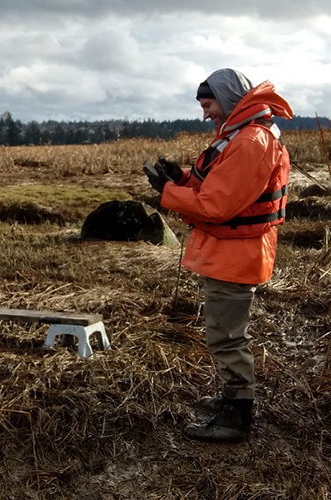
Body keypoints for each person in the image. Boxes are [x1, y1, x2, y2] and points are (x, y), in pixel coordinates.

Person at [144, 68, 293, 442]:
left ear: (227, 99)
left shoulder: (249, 142)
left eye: (208, 104)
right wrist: (179, 180)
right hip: (233, 253)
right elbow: (217, 188)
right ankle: (233, 399)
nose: (205, 114)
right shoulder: (241, 136)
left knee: (227, 336)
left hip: (237, 257)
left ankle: (236, 416)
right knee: (224, 333)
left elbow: (215, 206)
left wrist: (167, 193)